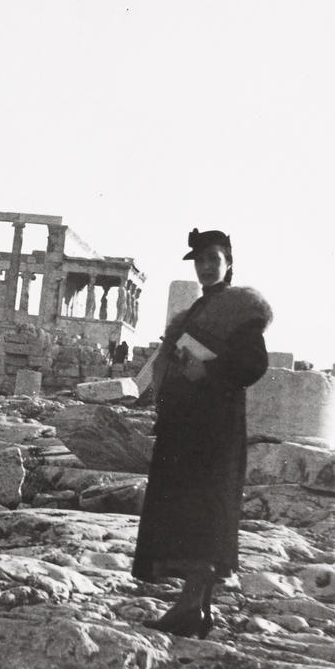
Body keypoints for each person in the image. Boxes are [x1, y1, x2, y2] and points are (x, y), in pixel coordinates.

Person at [132, 228, 272, 636]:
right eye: (200, 261)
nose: (206, 267)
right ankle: (195, 608)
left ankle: (194, 607)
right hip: (185, 429)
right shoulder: (194, 311)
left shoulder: (241, 309)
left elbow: (253, 366)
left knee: (204, 517)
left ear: (228, 262)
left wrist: (206, 370)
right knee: (188, 516)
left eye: (213, 258)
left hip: (214, 431)